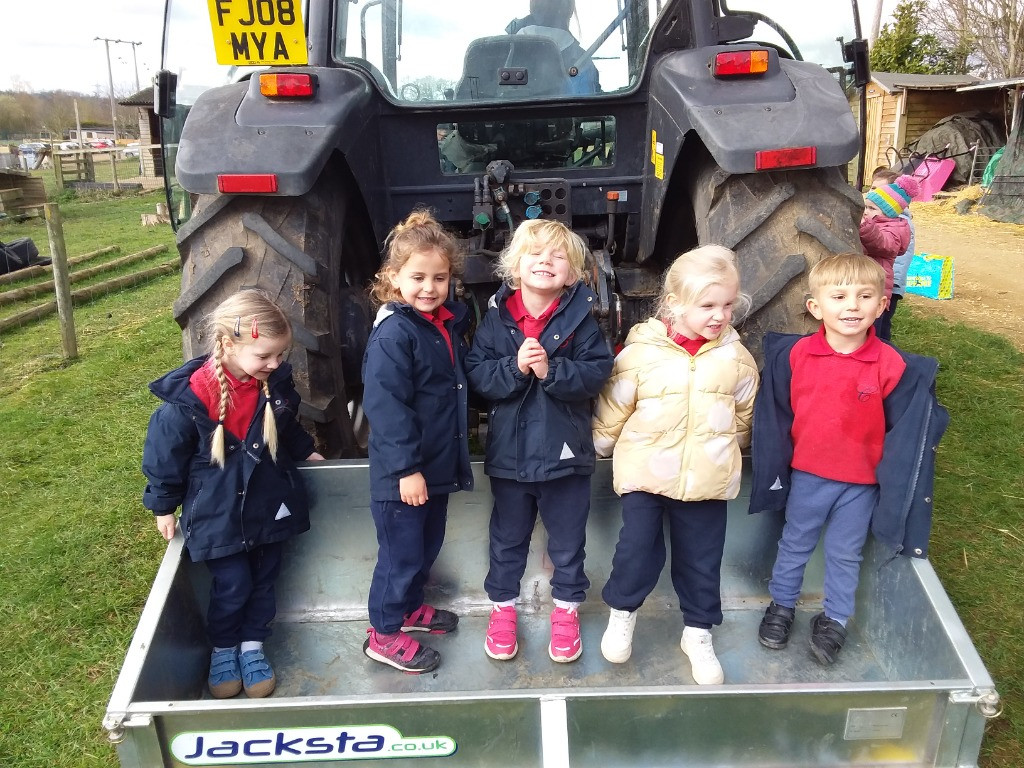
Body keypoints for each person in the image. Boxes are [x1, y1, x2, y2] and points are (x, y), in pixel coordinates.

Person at [751, 253, 947, 665]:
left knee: (845, 552)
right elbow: (779, 411)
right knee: (795, 543)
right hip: (808, 475)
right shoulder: (797, 356)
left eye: (864, 296)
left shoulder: (890, 364)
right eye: (839, 296)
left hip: (861, 484)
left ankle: (836, 618)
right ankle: (781, 606)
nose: (852, 306)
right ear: (816, 307)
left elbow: (904, 425)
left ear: (882, 305)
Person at [142, 289, 324, 699]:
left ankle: (253, 648)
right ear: (227, 345)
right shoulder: (188, 402)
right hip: (218, 515)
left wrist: (306, 451)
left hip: (267, 507)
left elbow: (286, 426)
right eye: (265, 356)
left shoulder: (271, 385)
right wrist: (162, 504)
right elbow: (165, 457)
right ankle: (224, 649)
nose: (275, 364)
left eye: (279, 355)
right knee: (233, 585)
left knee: (263, 582)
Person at [592, 246, 758, 685]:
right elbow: (614, 406)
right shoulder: (641, 353)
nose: (719, 315)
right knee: (637, 549)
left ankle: (698, 633)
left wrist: (728, 451)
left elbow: (744, 415)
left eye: (727, 305)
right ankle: (622, 612)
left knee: (701, 559)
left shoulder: (737, 359)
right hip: (646, 474)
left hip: (706, 479)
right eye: (707, 305)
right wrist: (599, 447)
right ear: (674, 303)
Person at [465, 218, 613, 663]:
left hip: (565, 459)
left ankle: (566, 612)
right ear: (515, 267)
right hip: (510, 459)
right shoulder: (495, 321)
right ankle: (503, 611)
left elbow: (596, 372)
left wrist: (553, 371)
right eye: (534, 253)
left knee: (567, 542)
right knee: (507, 539)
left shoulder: (582, 319)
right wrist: (515, 369)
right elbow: (476, 373)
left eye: (557, 255)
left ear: (571, 274)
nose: (545, 260)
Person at [362, 210, 474, 674]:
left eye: (440, 278)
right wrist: (406, 469)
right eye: (418, 277)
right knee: (401, 556)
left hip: (432, 471)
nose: (429, 288)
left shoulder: (440, 325)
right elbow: (387, 409)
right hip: (403, 477)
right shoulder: (394, 334)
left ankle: (408, 611)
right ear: (393, 278)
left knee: (425, 550)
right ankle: (383, 634)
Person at [859, 173, 919, 341]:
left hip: (881, 285)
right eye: (865, 207)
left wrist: (866, 228)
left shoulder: (894, 228)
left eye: (872, 209)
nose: (865, 212)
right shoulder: (878, 223)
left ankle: (880, 354)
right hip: (871, 281)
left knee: (875, 327)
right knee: (876, 326)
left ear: (888, 212)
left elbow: (884, 244)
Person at [506, 0, 600, 94]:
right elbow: (586, 104)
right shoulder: (581, 61)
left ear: (532, 5)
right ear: (570, 9)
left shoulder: (501, 52)